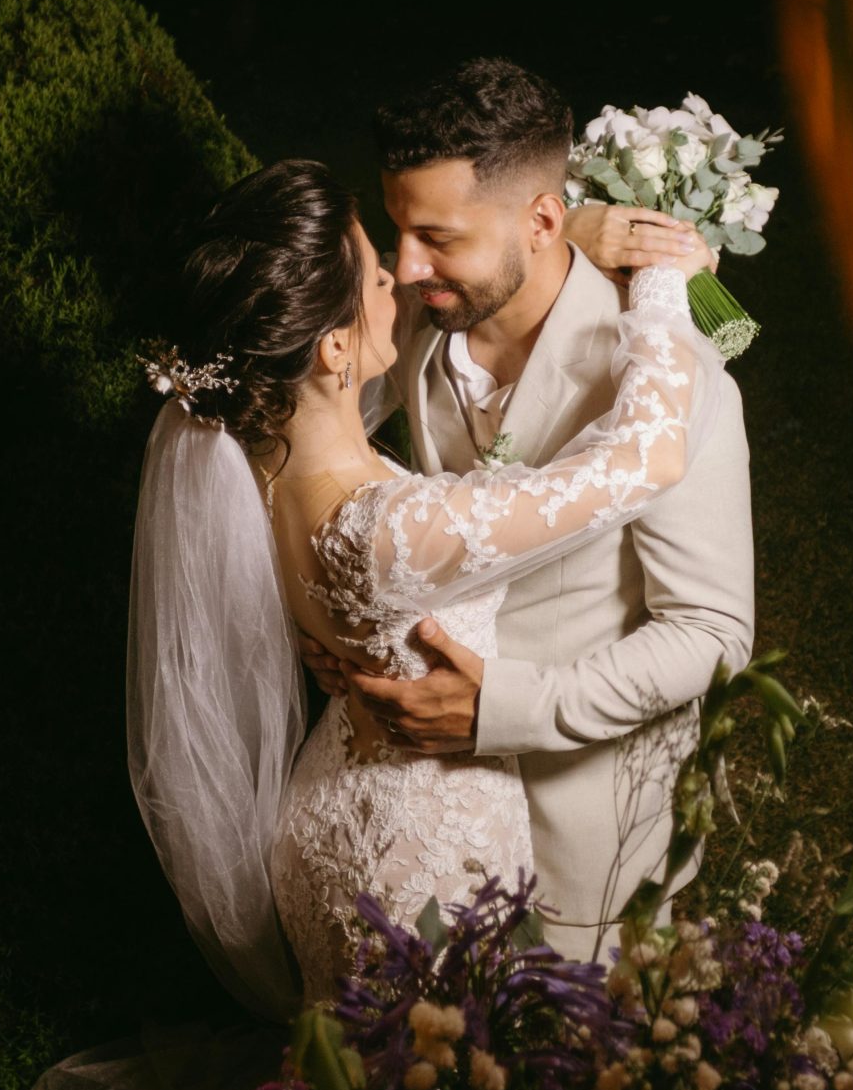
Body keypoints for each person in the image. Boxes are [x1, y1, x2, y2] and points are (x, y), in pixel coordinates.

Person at [139, 157, 710, 1002]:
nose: (399, 279)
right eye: (375, 274)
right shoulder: (394, 529)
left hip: (322, 817)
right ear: (334, 346)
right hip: (422, 858)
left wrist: (567, 236)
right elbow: (649, 456)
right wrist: (662, 283)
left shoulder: (251, 455)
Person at [321, 57, 758, 959]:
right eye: (399, 229)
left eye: (437, 237)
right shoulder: (420, 315)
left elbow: (713, 632)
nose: (406, 266)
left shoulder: (669, 380)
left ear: (544, 220)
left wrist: (503, 709)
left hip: (581, 828)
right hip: (414, 813)